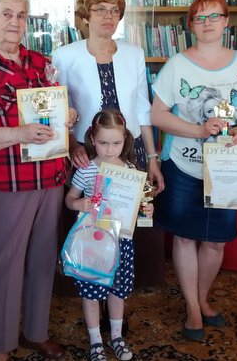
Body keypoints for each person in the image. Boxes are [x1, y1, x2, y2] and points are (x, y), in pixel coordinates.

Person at [0, 0, 75, 361]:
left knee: (44, 259)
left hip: (52, 178)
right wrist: (19, 133)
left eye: (21, 15)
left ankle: (35, 332)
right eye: (6, 14)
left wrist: (67, 115)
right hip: (11, 184)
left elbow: (56, 111)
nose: (14, 22)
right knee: (6, 265)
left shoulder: (41, 62)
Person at [150, 0, 237, 342]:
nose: (206, 23)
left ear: (226, 21)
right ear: (190, 25)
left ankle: (203, 298)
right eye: (199, 18)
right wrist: (198, 130)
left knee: (216, 242)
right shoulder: (177, 65)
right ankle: (192, 307)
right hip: (184, 166)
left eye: (213, 16)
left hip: (228, 169)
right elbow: (157, 115)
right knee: (186, 237)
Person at [51, 0, 165, 290]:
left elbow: (143, 109)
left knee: (126, 224)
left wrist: (152, 158)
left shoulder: (134, 53)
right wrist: (71, 144)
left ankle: (118, 296)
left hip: (129, 153)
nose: (108, 16)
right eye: (100, 9)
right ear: (85, 15)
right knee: (89, 223)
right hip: (85, 154)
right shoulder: (64, 55)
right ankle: (88, 290)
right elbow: (59, 108)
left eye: (115, 10)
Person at [64, 109, 154, 361]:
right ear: (92, 140)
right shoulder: (87, 170)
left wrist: (146, 209)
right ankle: (95, 340)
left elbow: (141, 209)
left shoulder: (131, 170)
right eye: (103, 143)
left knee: (117, 290)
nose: (110, 149)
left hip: (121, 241)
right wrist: (77, 204)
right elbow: (70, 199)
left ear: (125, 140)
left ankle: (116, 337)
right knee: (91, 291)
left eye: (116, 143)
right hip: (92, 242)